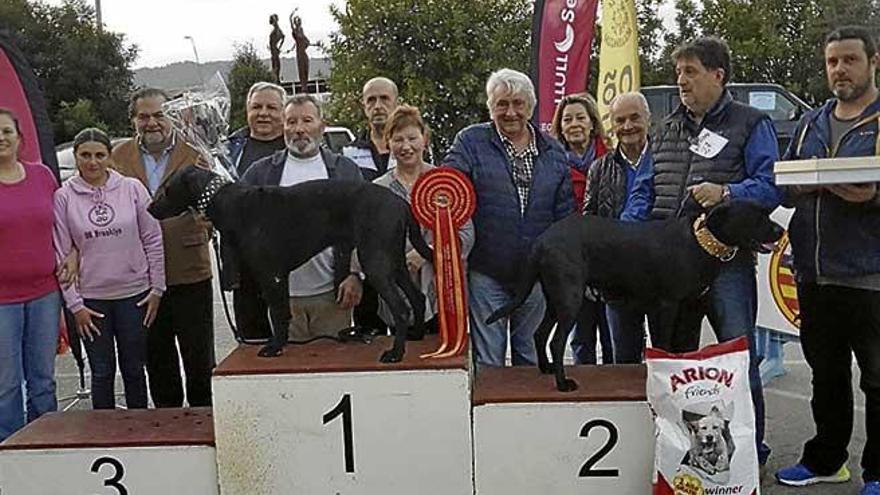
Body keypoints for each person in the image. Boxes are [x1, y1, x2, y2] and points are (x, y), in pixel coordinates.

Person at [625, 36, 782, 465]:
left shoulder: (751, 123)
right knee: (675, 364)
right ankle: (678, 456)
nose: (681, 81)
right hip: (670, 270)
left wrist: (727, 192)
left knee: (739, 359)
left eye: (690, 72)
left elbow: (771, 186)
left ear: (718, 75)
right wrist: (625, 242)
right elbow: (642, 192)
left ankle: (751, 455)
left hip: (726, 266)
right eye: (678, 73)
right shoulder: (665, 129)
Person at [774, 26, 880, 495]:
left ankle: (878, 472)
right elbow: (786, 179)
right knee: (826, 375)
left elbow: (869, 193)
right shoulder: (812, 121)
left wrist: (858, 193)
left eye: (849, 60)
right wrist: (814, 183)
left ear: (873, 63)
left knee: (878, 382)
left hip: (870, 275)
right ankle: (827, 459)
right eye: (833, 61)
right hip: (815, 273)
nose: (839, 69)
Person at [445, 68, 574, 367]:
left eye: (518, 103)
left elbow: (564, 218)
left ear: (530, 106)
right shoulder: (470, 141)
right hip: (486, 272)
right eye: (502, 104)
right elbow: (448, 187)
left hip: (537, 276)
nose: (511, 112)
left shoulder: (554, 151)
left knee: (530, 358)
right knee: (488, 362)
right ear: (490, 107)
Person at [112, 88, 214, 408]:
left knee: (199, 356)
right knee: (157, 358)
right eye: (144, 116)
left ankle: (203, 422)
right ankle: (167, 426)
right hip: (141, 275)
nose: (152, 123)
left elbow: (213, 204)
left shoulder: (197, 151)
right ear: (133, 120)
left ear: (170, 116)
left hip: (189, 267)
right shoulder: (117, 157)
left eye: (159, 115)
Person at [53, 128, 165, 410]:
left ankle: (138, 430)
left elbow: (152, 237)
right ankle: (103, 436)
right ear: (76, 157)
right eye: (85, 155)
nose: (93, 162)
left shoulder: (132, 188)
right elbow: (62, 253)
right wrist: (75, 305)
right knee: (102, 372)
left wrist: (157, 288)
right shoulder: (63, 197)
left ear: (109, 157)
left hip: (134, 295)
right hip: (91, 300)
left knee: (134, 369)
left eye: (100, 155)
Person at [241, 94, 364, 339]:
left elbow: (362, 228)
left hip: (333, 295)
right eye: (291, 122)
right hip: (282, 299)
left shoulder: (344, 171)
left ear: (322, 125)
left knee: (333, 372)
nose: (299, 130)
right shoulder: (260, 174)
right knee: (287, 374)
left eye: (307, 121)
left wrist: (355, 274)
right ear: (282, 126)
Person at [373, 105, 474, 336]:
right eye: (398, 139)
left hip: (443, 296)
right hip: (396, 296)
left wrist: (426, 252)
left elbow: (466, 236)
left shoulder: (446, 183)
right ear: (388, 142)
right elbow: (368, 242)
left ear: (424, 139)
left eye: (412, 138)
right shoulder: (378, 190)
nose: (406, 146)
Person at [0, 108, 62, 441]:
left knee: (43, 379)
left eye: (6, 131)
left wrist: (75, 255)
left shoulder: (42, 176)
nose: (1, 138)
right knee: (6, 384)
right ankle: (8, 451)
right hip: (2, 301)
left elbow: (64, 227)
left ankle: (46, 444)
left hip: (45, 294)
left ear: (20, 138)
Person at [582, 92, 654, 364]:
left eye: (634, 118)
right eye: (620, 120)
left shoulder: (666, 159)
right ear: (611, 126)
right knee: (623, 359)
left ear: (648, 119)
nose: (628, 126)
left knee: (666, 356)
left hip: (661, 276)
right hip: (619, 279)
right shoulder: (599, 168)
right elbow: (590, 222)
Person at [550, 93, 611, 364]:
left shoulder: (611, 159)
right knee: (580, 332)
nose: (574, 123)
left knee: (613, 332)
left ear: (592, 123)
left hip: (610, 256)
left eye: (580, 117)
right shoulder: (552, 164)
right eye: (567, 119)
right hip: (573, 260)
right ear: (560, 127)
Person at [223, 82, 287, 340]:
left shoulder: (299, 145)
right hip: (245, 263)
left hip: (291, 260)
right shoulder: (227, 150)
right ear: (246, 110)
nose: (263, 113)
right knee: (253, 344)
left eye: (271, 107)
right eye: (256, 107)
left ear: (284, 112)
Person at [343, 76, 401, 335]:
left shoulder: (412, 150)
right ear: (363, 106)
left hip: (405, 262)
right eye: (371, 100)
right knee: (369, 343)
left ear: (396, 102)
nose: (378, 105)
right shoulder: (346, 155)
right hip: (365, 265)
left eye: (384, 99)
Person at [268, 14, 285, 84]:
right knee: (276, 67)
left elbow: (283, 37)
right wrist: (277, 48)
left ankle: (277, 81)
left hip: (275, 51)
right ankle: (276, 81)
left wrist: (279, 47)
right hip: (274, 51)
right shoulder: (273, 32)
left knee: (277, 67)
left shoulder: (278, 30)